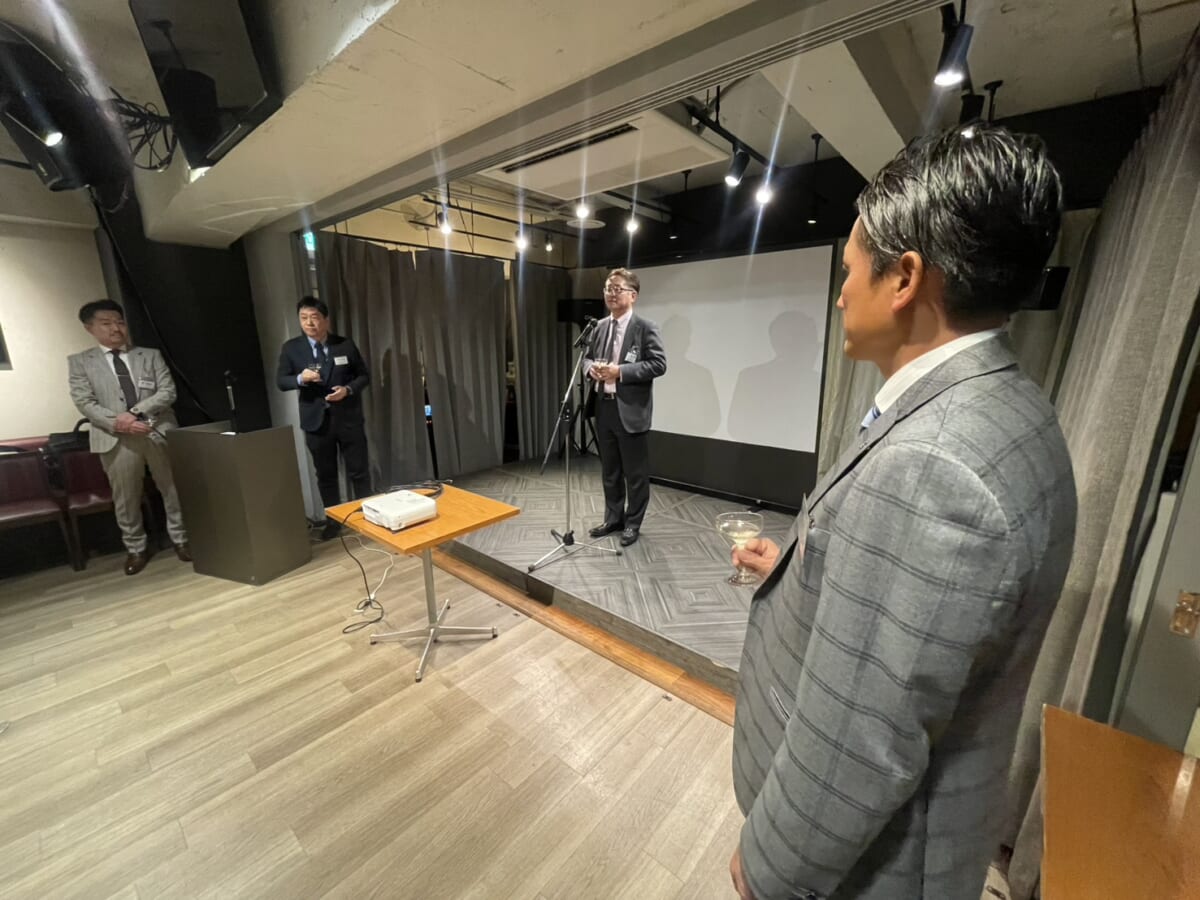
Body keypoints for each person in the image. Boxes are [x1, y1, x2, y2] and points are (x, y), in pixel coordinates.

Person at [728, 125, 1077, 900]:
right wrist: (803, 566)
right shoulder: (1009, 407)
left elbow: (862, 737)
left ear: (905, 279)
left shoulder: (934, 464)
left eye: (850, 270)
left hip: (873, 868)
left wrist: (770, 867)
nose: (840, 293)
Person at [67, 299, 190, 576]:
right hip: (115, 437)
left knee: (173, 488)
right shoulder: (80, 362)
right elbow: (85, 402)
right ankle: (136, 548)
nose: (116, 328)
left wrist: (134, 413)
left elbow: (167, 391)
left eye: (120, 322)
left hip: (157, 429)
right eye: (106, 323)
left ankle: (182, 539)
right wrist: (121, 424)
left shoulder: (150, 355)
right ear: (89, 327)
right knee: (126, 497)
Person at [583, 268, 667, 547]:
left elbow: (658, 364)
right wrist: (590, 369)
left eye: (617, 288)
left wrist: (620, 371)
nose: (611, 293)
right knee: (610, 471)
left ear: (633, 295)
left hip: (630, 411)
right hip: (603, 407)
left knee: (635, 475)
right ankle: (613, 519)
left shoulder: (645, 327)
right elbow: (587, 359)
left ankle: (633, 523)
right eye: (608, 288)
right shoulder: (599, 327)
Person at [276, 297, 370, 539]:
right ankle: (333, 522)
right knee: (326, 475)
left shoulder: (344, 344)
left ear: (326, 320)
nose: (309, 323)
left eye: (314, 318)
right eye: (304, 318)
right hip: (316, 421)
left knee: (359, 471)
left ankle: (369, 518)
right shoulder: (292, 348)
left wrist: (347, 390)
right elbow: (281, 381)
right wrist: (301, 378)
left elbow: (363, 376)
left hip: (348, 418)